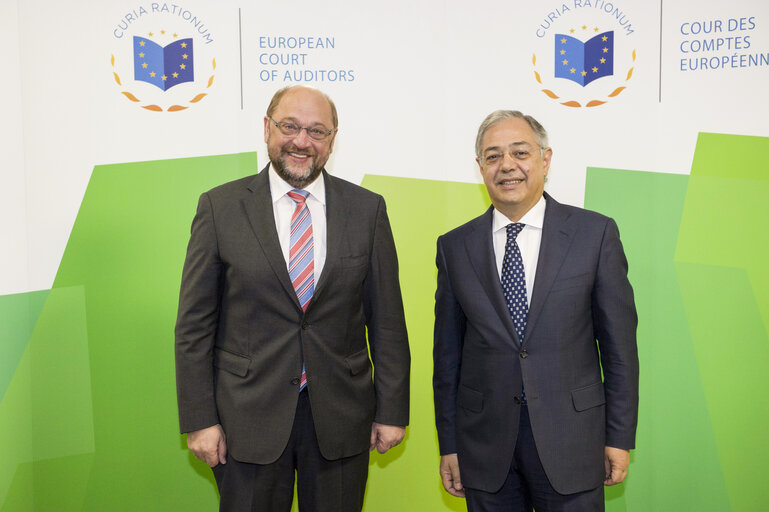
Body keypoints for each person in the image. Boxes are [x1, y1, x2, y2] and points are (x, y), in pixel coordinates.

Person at [175, 85, 410, 512]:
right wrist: (199, 419)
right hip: (245, 419)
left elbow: (387, 322)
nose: (302, 141)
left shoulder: (367, 209)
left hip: (341, 417)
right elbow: (194, 327)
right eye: (290, 126)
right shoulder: (220, 207)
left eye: (317, 131)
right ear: (267, 128)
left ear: (332, 140)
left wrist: (392, 410)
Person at [432, 110, 638, 511]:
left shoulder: (594, 235)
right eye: (493, 156)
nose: (507, 165)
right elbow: (448, 359)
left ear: (545, 160)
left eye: (520, 152)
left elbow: (619, 353)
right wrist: (451, 445)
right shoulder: (454, 247)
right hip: (484, 447)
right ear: (480, 168)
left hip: (573, 442)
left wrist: (617, 437)